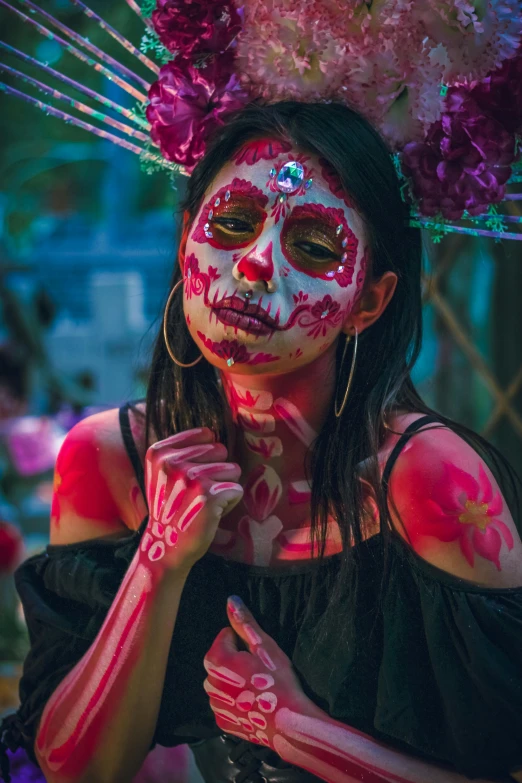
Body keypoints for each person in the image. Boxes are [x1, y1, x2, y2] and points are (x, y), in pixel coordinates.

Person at [1, 101, 522, 783]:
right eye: (233, 223)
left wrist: (298, 730)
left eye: (312, 245)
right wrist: (157, 561)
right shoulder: (107, 460)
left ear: (369, 299)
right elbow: (71, 768)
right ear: (187, 239)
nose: (253, 263)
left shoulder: (431, 480)